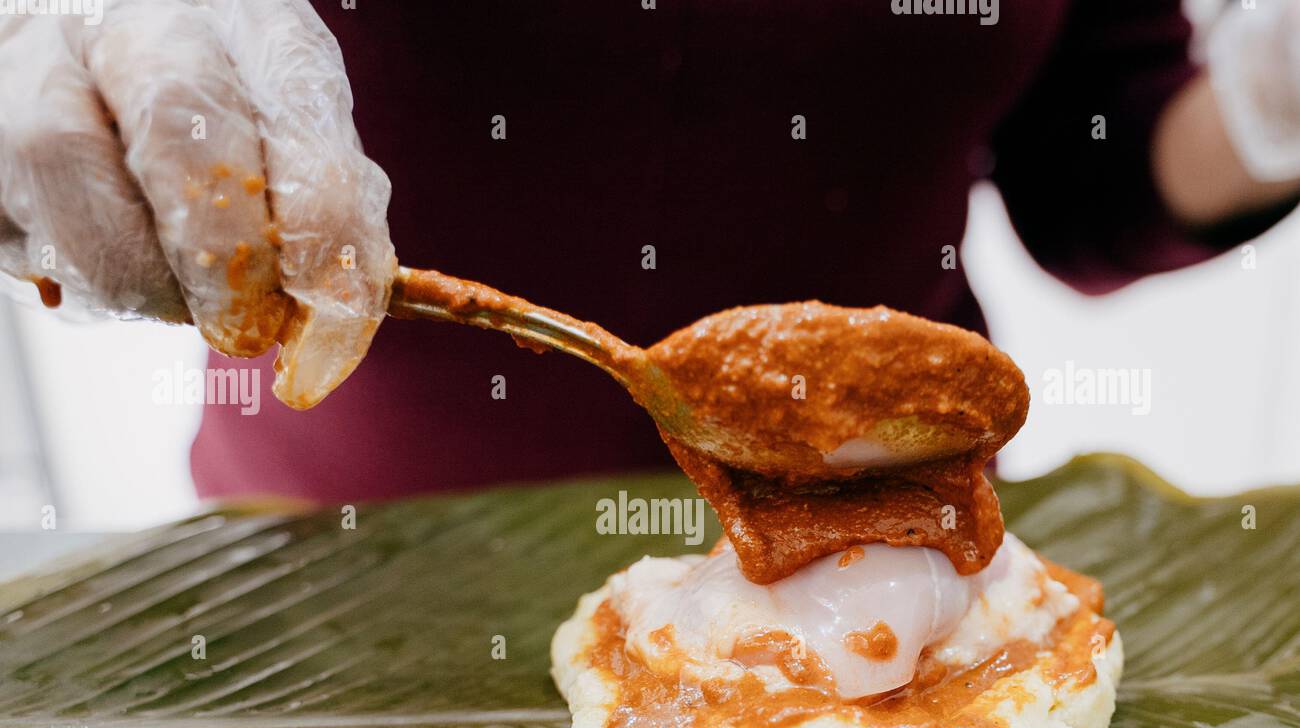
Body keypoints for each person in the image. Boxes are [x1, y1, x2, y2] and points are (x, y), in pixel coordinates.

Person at [1, 0, 1298, 504]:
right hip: (351, 568)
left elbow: (1091, 172)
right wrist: (75, 55)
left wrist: (1267, 105)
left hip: (884, 543)